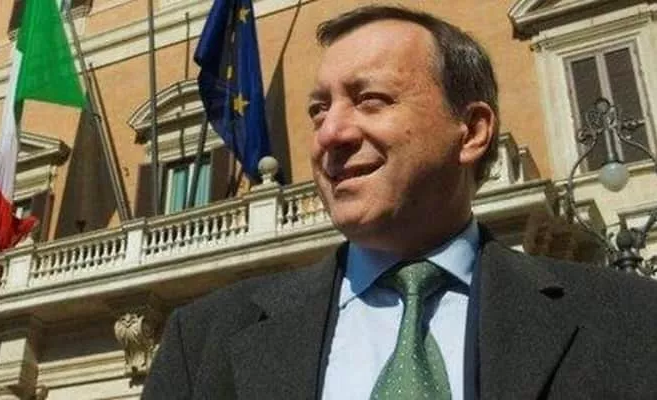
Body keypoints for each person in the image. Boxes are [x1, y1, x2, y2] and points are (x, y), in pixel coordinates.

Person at [142, 5, 657, 400]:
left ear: (472, 131)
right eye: (319, 110)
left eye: (370, 100)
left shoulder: (632, 320)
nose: (330, 133)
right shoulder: (202, 342)